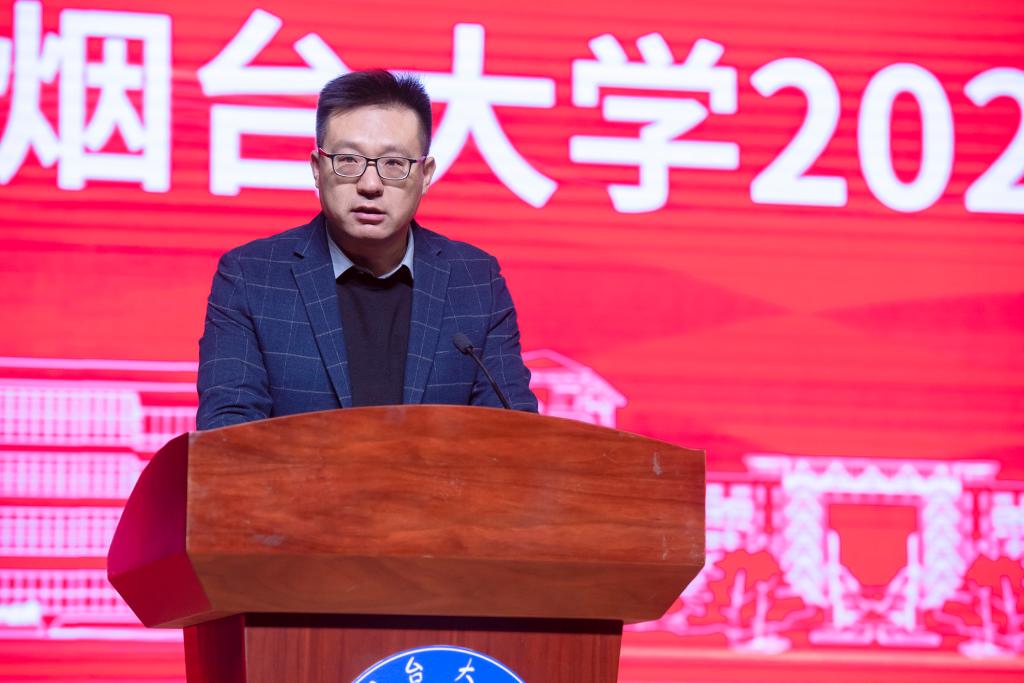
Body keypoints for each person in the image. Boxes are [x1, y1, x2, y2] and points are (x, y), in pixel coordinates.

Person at [196, 70, 537, 430]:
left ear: (425, 175)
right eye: (348, 160)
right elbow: (226, 435)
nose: (370, 184)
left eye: (394, 164)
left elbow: (513, 433)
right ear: (317, 169)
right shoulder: (252, 277)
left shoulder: (476, 281)